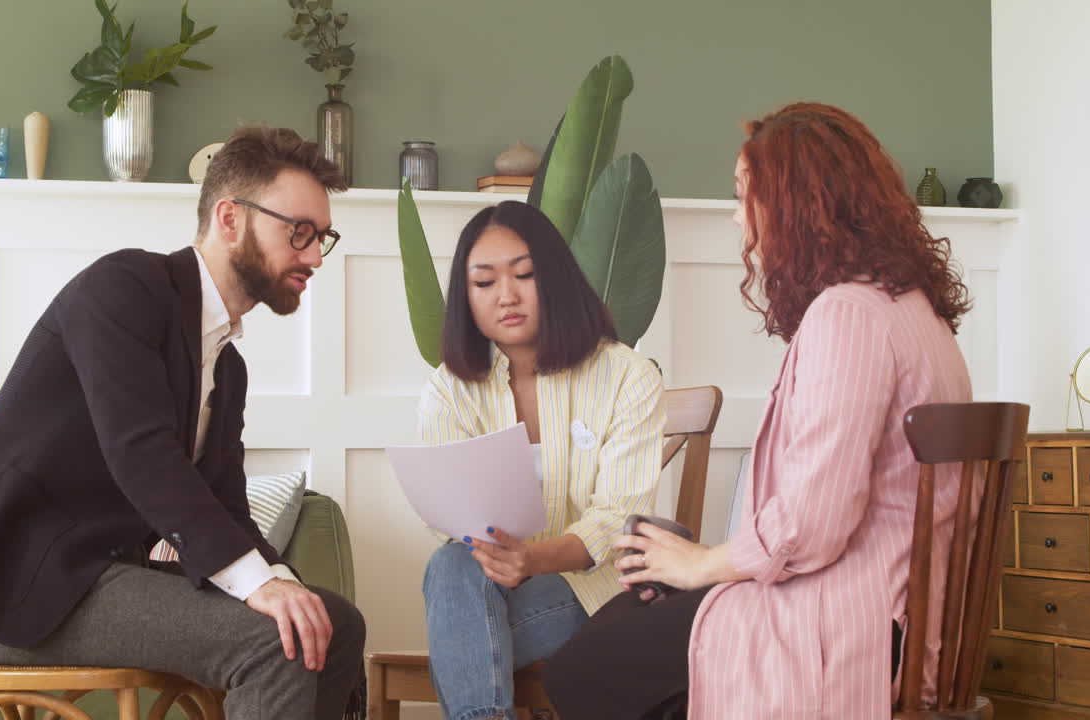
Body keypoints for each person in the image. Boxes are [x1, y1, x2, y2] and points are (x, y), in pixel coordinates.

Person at [542, 102, 974, 719]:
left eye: (747, 195)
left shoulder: (848, 315)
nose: (742, 222)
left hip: (856, 627)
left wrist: (705, 564)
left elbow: (816, 520)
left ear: (796, 205)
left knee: (587, 668)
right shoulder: (914, 310)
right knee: (627, 630)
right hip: (905, 616)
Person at [0, 125, 365, 720]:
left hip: (101, 573)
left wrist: (282, 581)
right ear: (230, 218)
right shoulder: (123, 289)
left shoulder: (225, 365)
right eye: (300, 232)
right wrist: (260, 589)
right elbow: (142, 454)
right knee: (276, 642)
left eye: (322, 238)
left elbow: (227, 507)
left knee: (331, 622)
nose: (314, 256)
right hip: (24, 583)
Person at [417, 200, 665, 720]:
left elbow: (617, 517)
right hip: (485, 584)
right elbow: (449, 515)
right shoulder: (451, 388)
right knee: (450, 564)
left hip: (597, 590)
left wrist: (531, 560)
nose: (505, 296)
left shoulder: (627, 375)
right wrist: (497, 554)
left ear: (555, 278)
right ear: (466, 296)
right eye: (484, 283)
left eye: (524, 275)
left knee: (465, 634)